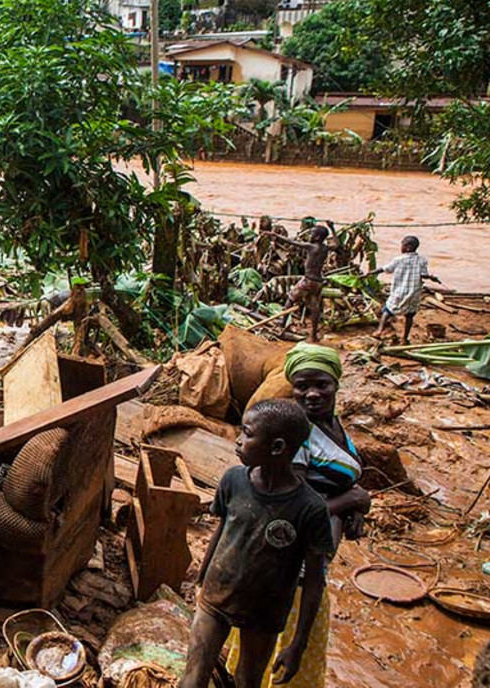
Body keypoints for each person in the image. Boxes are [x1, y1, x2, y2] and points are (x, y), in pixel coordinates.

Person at [224, 343, 373, 688]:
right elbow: (290, 507)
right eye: (302, 386)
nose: (312, 394)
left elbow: (334, 485)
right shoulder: (297, 437)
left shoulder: (333, 424)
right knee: (284, 646)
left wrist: (353, 507)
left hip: (316, 555)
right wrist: (350, 498)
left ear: (337, 384)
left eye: (322, 384)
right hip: (291, 561)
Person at [180, 399, 334, 688]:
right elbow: (222, 530)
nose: (238, 441)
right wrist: (200, 582)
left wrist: (298, 644)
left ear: (277, 448)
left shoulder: (310, 508)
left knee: (247, 681)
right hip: (216, 596)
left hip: (264, 612)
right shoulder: (234, 480)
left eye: (248, 434)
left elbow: (314, 580)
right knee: (193, 678)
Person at [267, 224, 334, 342]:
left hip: (307, 280)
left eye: (312, 233)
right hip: (318, 282)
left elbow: (292, 242)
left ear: (317, 237)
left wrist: (275, 235)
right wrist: (332, 228)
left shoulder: (311, 247)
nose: (309, 235)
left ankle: (282, 323)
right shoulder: (325, 248)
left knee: (290, 298)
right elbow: (337, 244)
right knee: (315, 308)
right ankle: (313, 335)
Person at [368, 235, 440, 344]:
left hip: (399, 291)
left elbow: (385, 269)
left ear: (408, 247)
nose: (401, 247)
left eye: (402, 245)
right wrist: (431, 277)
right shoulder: (422, 260)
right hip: (414, 292)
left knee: (387, 310)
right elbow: (424, 275)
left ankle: (379, 331)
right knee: (409, 315)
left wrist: (371, 273)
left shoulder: (399, 259)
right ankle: (405, 338)